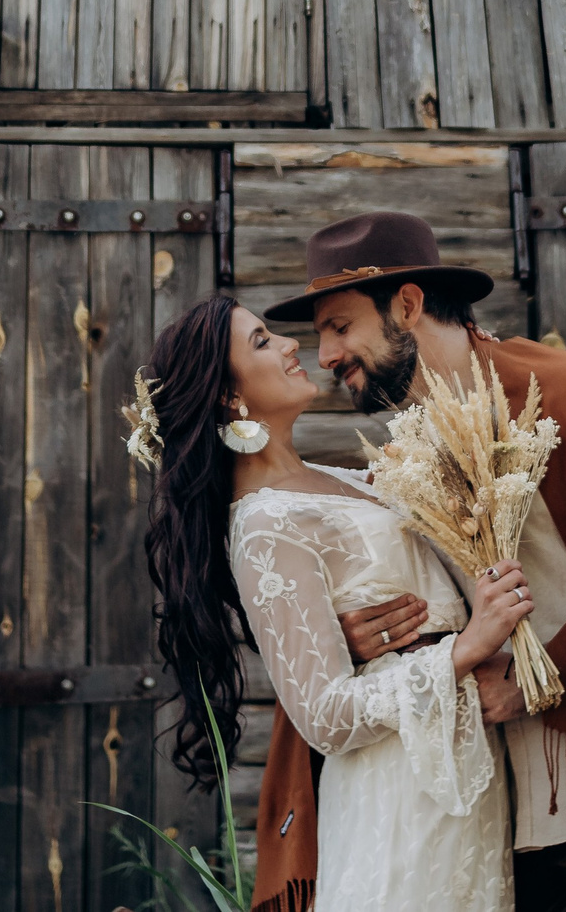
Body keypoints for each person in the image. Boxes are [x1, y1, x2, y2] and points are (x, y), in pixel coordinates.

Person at [253, 211, 566, 912]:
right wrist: (353, 640)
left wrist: (543, 679)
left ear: (407, 306)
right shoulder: (395, 465)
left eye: (340, 326)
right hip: (492, 822)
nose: (325, 355)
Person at [133, 290, 534, 911]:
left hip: (465, 773)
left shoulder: (348, 480)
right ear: (226, 394)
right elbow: (324, 717)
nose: (294, 345)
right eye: (262, 342)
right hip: (398, 795)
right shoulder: (267, 524)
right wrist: (464, 650)